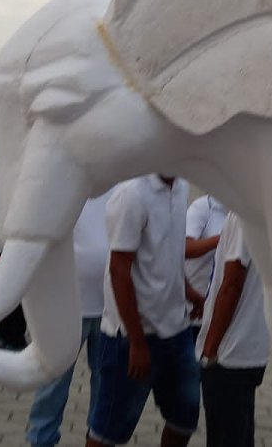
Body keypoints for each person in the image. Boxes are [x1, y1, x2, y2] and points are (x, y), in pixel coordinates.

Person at [87, 175, 204, 447]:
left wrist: (188, 292)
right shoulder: (132, 194)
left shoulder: (182, 187)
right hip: (129, 339)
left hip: (178, 332)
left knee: (184, 420)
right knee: (107, 433)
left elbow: (167, 254)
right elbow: (119, 269)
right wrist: (137, 343)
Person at [26, 186, 117, 447]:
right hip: (65, 307)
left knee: (106, 382)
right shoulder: (63, 189)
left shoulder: (123, 187)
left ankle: (99, 438)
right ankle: (41, 440)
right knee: (53, 384)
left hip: (111, 307)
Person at [197, 212, 269, 447]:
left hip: (229, 352)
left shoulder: (243, 215)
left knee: (226, 437)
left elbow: (232, 283)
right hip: (250, 347)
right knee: (239, 434)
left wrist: (210, 348)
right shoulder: (262, 210)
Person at [184, 194, 227, 339]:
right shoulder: (204, 207)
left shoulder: (243, 213)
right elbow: (184, 248)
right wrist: (223, 239)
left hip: (223, 316)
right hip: (195, 312)